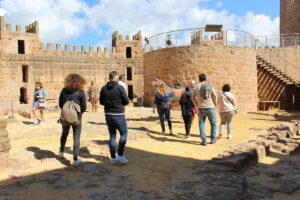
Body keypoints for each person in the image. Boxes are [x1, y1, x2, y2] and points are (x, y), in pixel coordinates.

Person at [100, 71, 130, 165]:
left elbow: (101, 102)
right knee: (124, 134)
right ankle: (120, 155)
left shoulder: (103, 88)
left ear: (109, 78)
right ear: (117, 78)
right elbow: (126, 101)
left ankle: (113, 158)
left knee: (112, 136)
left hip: (108, 115)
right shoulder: (120, 87)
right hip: (119, 115)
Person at [58, 74, 87, 167]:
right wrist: (78, 114)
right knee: (76, 137)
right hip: (77, 117)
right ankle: (75, 159)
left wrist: (66, 112)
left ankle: (61, 151)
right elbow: (84, 106)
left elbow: (60, 103)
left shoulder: (64, 90)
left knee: (64, 134)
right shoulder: (81, 92)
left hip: (65, 117)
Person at [192, 73, 217, 146]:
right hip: (210, 107)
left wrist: (197, 105)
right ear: (205, 78)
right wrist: (214, 104)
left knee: (201, 124)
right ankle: (213, 139)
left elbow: (193, 98)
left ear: (199, 79)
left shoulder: (196, 87)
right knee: (213, 123)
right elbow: (214, 95)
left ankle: (204, 140)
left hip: (201, 107)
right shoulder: (210, 85)